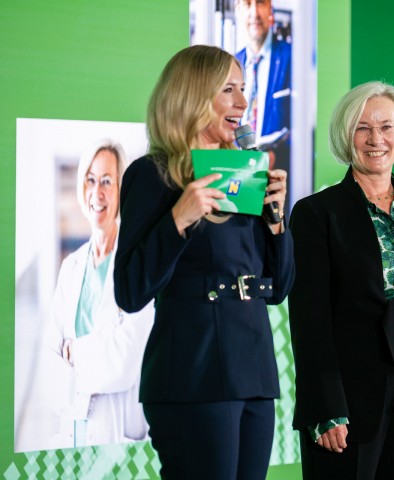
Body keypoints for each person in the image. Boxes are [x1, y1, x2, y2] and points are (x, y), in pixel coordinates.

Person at [113, 45, 294, 479]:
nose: (242, 102)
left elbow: (278, 288)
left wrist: (276, 221)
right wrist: (179, 218)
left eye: (243, 89)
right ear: (192, 95)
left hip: (255, 371)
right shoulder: (153, 174)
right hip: (194, 373)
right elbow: (130, 292)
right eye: (228, 89)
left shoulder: (242, 174)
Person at [289, 81, 394, 480]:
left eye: (386, 127)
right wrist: (325, 406)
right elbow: (310, 319)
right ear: (345, 135)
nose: (375, 139)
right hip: (346, 404)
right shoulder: (316, 213)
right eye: (362, 128)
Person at [43, 139, 153, 448]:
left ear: (121, 191)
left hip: (118, 435)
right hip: (72, 433)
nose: (97, 193)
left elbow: (124, 364)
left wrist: (75, 353)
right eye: (91, 180)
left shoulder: (137, 263)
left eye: (107, 181)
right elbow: (49, 369)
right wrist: (99, 353)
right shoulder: (71, 267)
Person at [235, 0, 291, 172]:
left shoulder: (292, 58)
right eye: (247, 4)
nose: (254, 13)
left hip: (279, 175)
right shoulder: (232, 64)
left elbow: (304, 129)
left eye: (260, 2)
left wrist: (276, 156)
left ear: (270, 8)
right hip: (238, 174)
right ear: (238, 10)